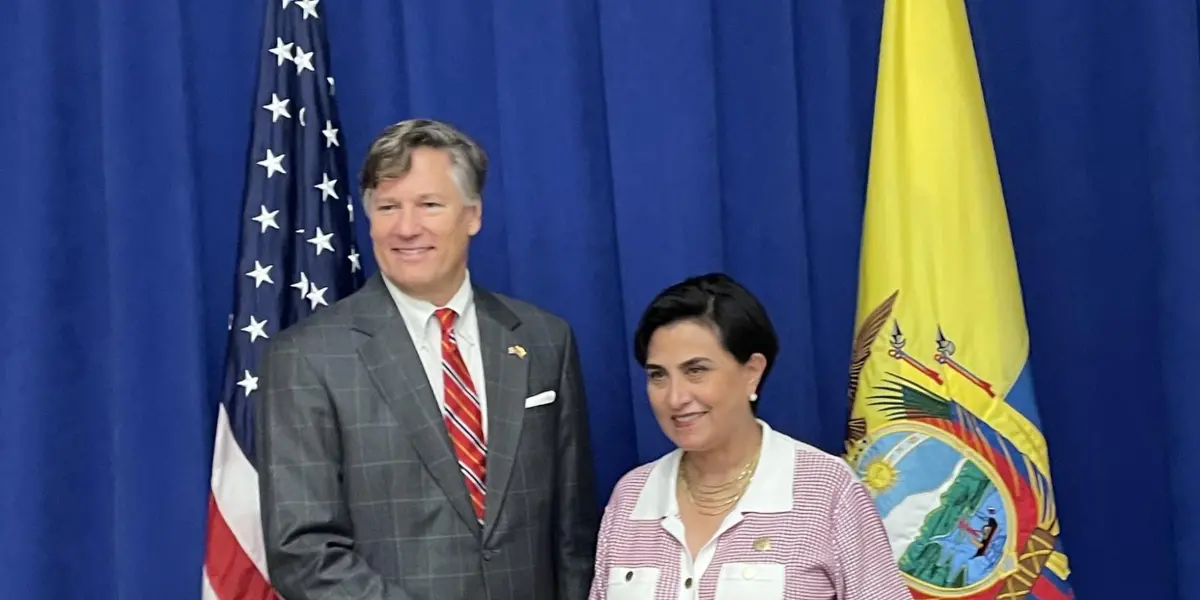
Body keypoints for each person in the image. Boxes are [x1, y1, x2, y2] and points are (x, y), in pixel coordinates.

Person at [257, 118, 598, 600]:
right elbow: (303, 553)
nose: (406, 228)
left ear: (472, 215)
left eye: (429, 205)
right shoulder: (306, 357)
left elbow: (573, 537)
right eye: (388, 207)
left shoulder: (545, 340)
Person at [588, 273, 912, 600]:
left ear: (752, 372)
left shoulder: (826, 489)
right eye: (658, 375)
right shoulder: (631, 496)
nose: (675, 398)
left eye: (696, 370)